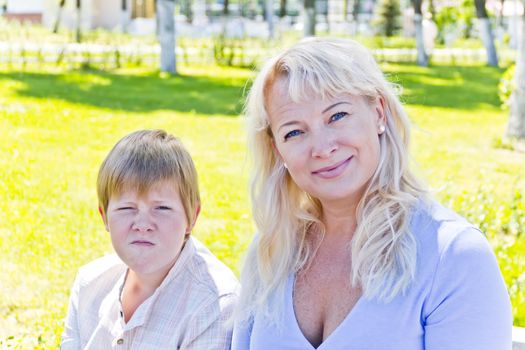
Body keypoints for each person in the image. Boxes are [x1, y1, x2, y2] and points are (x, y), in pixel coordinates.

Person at [232, 38, 512, 350]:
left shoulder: (454, 257)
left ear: (378, 112)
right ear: (277, 149)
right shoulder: (271, 252)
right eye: (294, 132)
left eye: (337, 116)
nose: (323, 148)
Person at [61, 129, 239, 349]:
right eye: (127, 207)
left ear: (192, 217)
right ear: (104, 216)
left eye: (162, 208)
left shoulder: (214, 306)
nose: (143, 224)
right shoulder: (90, 283)